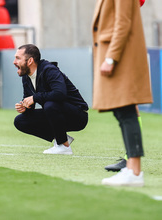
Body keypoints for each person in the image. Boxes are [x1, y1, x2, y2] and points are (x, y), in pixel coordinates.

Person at [92, 0, 153, 186]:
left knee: (126, 111)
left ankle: (134, 172)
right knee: (122, 111)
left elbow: (123, 22)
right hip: (117, 54)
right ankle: (132, 170)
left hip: (120, 56)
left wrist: (111, 58)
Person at [13, 44, 88, 155]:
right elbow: (31, 105)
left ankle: (64, 146)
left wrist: (35, 97)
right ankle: (62, 137)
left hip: (77, 116)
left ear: (30, 61)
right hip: (55, 113)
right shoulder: (26, 77)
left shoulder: (49, 70)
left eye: (18, 58)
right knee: (20, 121)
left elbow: (60, 93)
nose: (14, 62)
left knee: (50, 104)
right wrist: (25, 107)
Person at [104, 0, 146, 173]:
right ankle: (131, 158)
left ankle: (132, 161)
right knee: (129, 106)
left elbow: (124, 20)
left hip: (124, 46)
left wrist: (110, 57)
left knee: (129, 105)